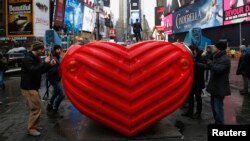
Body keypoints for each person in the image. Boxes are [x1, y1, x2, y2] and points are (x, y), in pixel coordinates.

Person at [21, 41, 56, 136]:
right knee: (36, 108)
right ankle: (31, 129)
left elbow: (40, 71)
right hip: (29, 88)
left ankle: (34, 125)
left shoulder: (35, 58)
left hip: (33, 87)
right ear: (36, 49)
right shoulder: (27, 59)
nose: (42, 51)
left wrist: (49, 65)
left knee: (37, 107)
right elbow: (33, 70)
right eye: (41, 49)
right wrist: (45, 62)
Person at [206, 41, 231, 124]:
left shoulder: (225, 58)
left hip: (220, 87)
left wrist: (210, 62)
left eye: (214, 47)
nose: (213, 48)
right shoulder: (216, 56)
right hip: (214, 86)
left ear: (218, 48)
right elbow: (210, 66)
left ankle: (220, 123)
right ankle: (217, 121)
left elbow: (218, 69)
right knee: (213, 106)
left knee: (218, 107)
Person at [182, 45, 206, 119]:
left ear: (195, 50)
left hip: (198, 82)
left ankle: (198, 113)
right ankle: (190, 112)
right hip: (192, 82)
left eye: (191, 51)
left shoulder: (200, 58)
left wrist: (189, 71)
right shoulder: (193, 57)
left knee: (198, 98)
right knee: (190, 97)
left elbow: (199, 71)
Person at [47, 45, 64, 117]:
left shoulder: (59, 57)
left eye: (60, 49)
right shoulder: (51, 58)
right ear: (54, 50)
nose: (59, 51)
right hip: (53, 79)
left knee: (56, 93)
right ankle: (54, 109)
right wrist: (58, 68)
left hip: (57, 78)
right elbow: (49, 70)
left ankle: (49, 104)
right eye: (57, 49)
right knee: (61, 95)